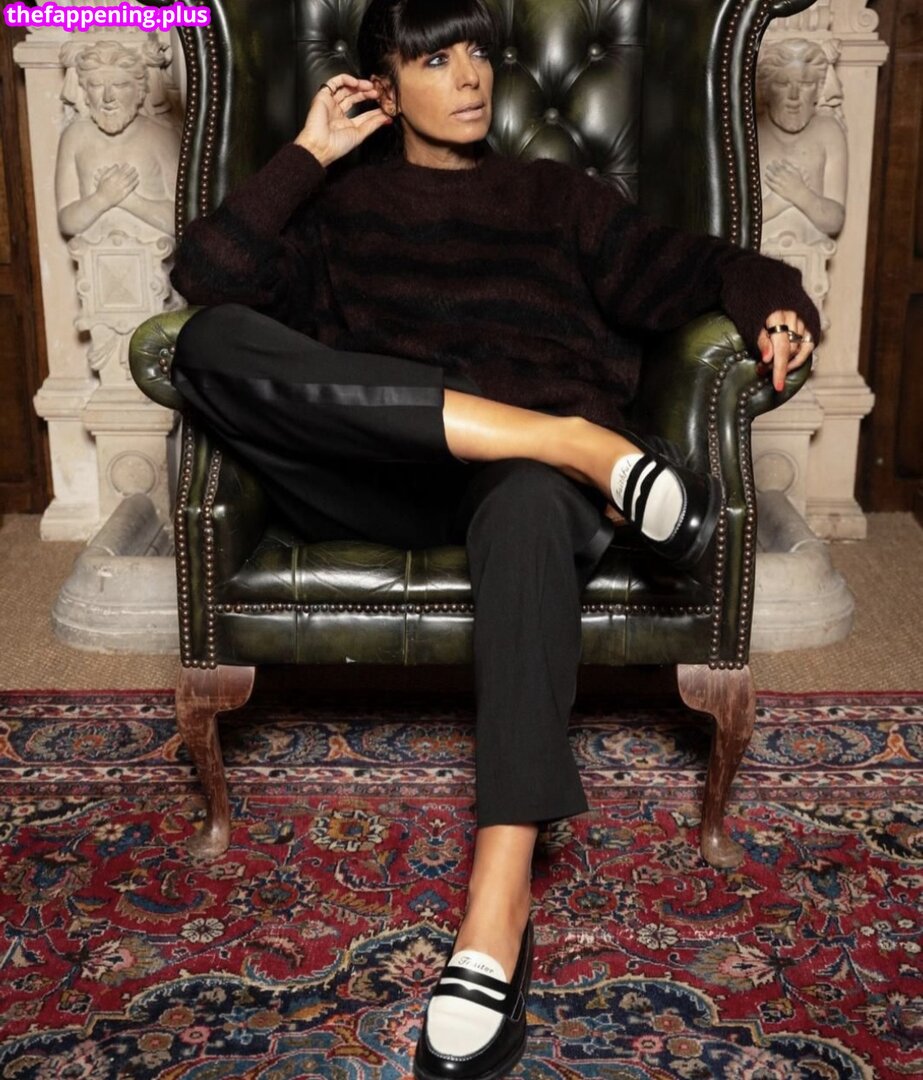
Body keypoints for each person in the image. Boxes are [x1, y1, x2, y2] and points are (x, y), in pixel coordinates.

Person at [168, 2, 819, 1077]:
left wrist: (776, 303)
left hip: (520, 497)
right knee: (207, 345)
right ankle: (580, 446)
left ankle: (495, 903)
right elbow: (207, 277)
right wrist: (308, 154)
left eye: (478, 52)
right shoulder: (339, 209)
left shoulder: (558, 197)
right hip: (393, 476)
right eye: (435, 58)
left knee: (521, 505)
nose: (469, 76)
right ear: (381, 85)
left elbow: (703, 263)